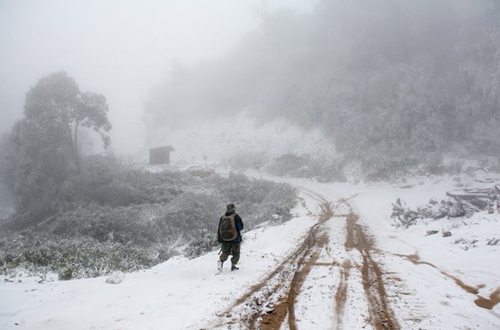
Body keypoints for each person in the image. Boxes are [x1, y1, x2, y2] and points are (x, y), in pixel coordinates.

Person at [217, 203, 244, 271]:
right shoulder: (236, 217)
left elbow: (219, 229)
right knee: (236, 253)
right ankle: (233, 265)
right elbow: (240, 227)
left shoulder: (222, 217)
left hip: (225, 239)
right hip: (236, 239)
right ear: (233, 209)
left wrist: (220, 239)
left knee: (225, 252)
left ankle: (221, 260)